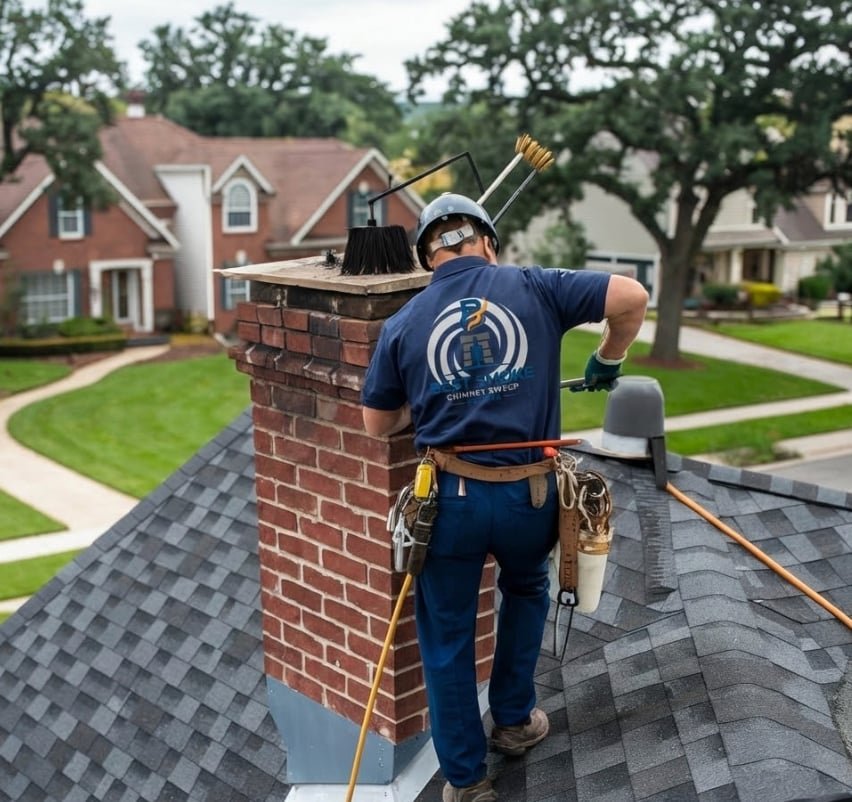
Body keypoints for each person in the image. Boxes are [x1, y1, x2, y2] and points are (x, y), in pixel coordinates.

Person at [361, 193, 648, 802]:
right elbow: (631, 298)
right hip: (531, 497)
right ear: (487, 242)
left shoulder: (404, 324)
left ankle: (466, 782)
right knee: (524, 591)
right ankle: (514, 723)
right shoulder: (534, 286)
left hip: (451, 501)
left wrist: (427, 396)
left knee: (446, 635)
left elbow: (377, 427)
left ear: (427, 258)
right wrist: (607, 358)